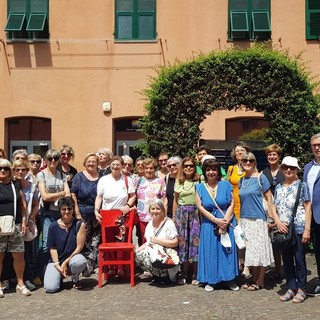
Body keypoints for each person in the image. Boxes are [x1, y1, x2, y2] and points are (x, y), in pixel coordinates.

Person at [195, 158, 239, 292]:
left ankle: (229, 279)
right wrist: (216, 221)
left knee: (227, 251)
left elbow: (232, 203)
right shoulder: (200, 187)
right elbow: (200, 207)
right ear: (204, 172)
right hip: (210, 224)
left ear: (218, 171)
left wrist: (224, 221)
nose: (211, 172)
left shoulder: (226, 185)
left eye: (214, 169)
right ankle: (212, 279)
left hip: (226, 221)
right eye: (208, 170)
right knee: (211, 252)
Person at [273, 156, 311, 303]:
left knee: (300, 259)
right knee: (287, 260)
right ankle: (291, 287)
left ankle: (302, 289)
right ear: (282, 169)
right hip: (283, 229)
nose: (289, 170)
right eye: (286, 167)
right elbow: (274, 208)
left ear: (297, 170)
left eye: (292, 168)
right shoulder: (278, 187)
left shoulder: (302, 186)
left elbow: (308, 208)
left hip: (299, 228)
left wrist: (307, 229)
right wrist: (277, 222)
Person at [33, 149, 71, 285]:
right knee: (45, 245)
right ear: (46, 160)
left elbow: (68, 194)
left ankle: (58, 272)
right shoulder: (41, 175)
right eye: (50, 159)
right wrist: (61, 193)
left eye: (55, 158)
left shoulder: (61, 174)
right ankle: (37, 273)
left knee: (60, 243)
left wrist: (57, 194)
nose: (53, 161)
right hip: (48, 213)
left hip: (60, 213)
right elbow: (45, 196)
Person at [94, 156, 136, 278]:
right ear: (109, 166)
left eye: (118, 165)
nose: (115, 167)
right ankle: (111, 268)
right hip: (106, 216)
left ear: (122, 166)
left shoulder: (127, 180)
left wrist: (128, 205)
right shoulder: (103, 180)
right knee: (108, 242)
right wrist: (96, 210)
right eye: (113, 165)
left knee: (121, 243)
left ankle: (121, 268)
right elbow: (99, 197)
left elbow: (133, 196)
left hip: (122, 217)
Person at [239, 152, 274, 291]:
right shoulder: (242, 180)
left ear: (255, 163)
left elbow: (269, 198)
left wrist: (270, 218)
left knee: (261, 249)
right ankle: (253, 277)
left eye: (250, 161)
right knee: (250, 250)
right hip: (245, 218)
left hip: (259, 218)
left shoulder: (261, 177)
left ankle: (260, 280)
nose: (248, 163)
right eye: (245, 161)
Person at [0, 159, 31, 298]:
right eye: (0, 169)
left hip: (16, 225)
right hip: (0, 226)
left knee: (18, 255)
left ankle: (20, 283)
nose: (2, 171)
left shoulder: (15, 185)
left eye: (5, 169)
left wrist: (24, 221)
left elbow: (23, 205)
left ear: (9, 171)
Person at [44, 196, 87, 293]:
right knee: (50, 288)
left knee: (80, 261)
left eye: (69, 209)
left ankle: (75, 278)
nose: (67, 212)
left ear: (73, 209)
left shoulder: (80, 224)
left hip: (72, 258)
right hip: (56, 260)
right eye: (64, 209)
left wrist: (65, 262)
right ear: (60, 210)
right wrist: (57, 265)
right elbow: (52, 248)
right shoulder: (53, 226)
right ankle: (58, 276)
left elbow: (79, 247)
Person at [135, 199, 179, 284]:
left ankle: (166, 275)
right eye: (153, 209)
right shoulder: (149, 224)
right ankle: (156, 275)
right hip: (155, 255)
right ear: (149, 210)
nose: (155, 211)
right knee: (138, 255)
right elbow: (149, 243)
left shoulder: (168, 223)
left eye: (158, 209)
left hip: (167, 256)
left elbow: (175, 242)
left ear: (162, 210)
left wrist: (158, 241)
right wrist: (135, 251)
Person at [172, 157, 200, 285]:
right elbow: (175, 200)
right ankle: (184, 272)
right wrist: (173, 216)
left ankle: (195, 273)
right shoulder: (179, 181)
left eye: (191, 166)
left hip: (195, 212)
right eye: (186, 166)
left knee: (195, 242)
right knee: (182, 242)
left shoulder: (199, 181)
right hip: (182, 213)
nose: (189, 168)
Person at [12, 159, 39, 291]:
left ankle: (26, 278)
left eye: (23, 170)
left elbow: (36, 205)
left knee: (26, 252)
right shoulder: (8, 184)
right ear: (13, 171)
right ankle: (10, 278)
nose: (20, 172)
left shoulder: (31, 186)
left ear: (27, 171)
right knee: (9, 253)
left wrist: (31, 219)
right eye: (17, 170)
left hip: (26, 222)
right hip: (11, 222)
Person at [71, 153, 100, 274]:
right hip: (82, 212)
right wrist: (76, 211)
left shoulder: (102, 177)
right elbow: (73, 194)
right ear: (85, 163)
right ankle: (83, 266)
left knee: (96, 241)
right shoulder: (79, 177)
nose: (91, 163)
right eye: (89, 161)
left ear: (97, 163)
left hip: (97, 214)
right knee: (83, 241)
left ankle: (94, 264)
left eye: (94, 161)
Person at [226, 142, 251, 278]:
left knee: (247, 237)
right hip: (233, 207)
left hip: (247, 207)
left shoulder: (250, 166)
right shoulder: (231, 169)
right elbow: (226, 185)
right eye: (237, 151)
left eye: (242, 150)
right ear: (234, 154)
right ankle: (238, 264)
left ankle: (247, 266)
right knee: (236, 237)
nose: (240, 152)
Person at [262, 144, 285, 282]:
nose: (271, 157)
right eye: (269, 154)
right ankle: (277, 269)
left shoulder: (286, 170)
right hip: (269, 208)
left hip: (284, 208)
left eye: (274, 154)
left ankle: (287, 268)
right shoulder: (264, 172)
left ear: (279, 156)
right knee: (274, 240)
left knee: (285, 238)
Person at [136, 158, 167, 246]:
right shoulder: (138, 181)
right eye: (146, 168)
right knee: (143, 239)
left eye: (151, 168)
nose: (148, 170)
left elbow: (164, 199)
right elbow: (134, 196)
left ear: (154, 169)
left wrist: (164, 215)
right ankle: (144, 258)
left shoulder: (160, 181)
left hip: (156, 215)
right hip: (142, 216)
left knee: (156, 239)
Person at [304, 133, 320, 296]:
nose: (317, 147)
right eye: (314, 145)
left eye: (319, 145)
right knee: (318, 250)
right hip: (311, 216)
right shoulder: (308, 167)